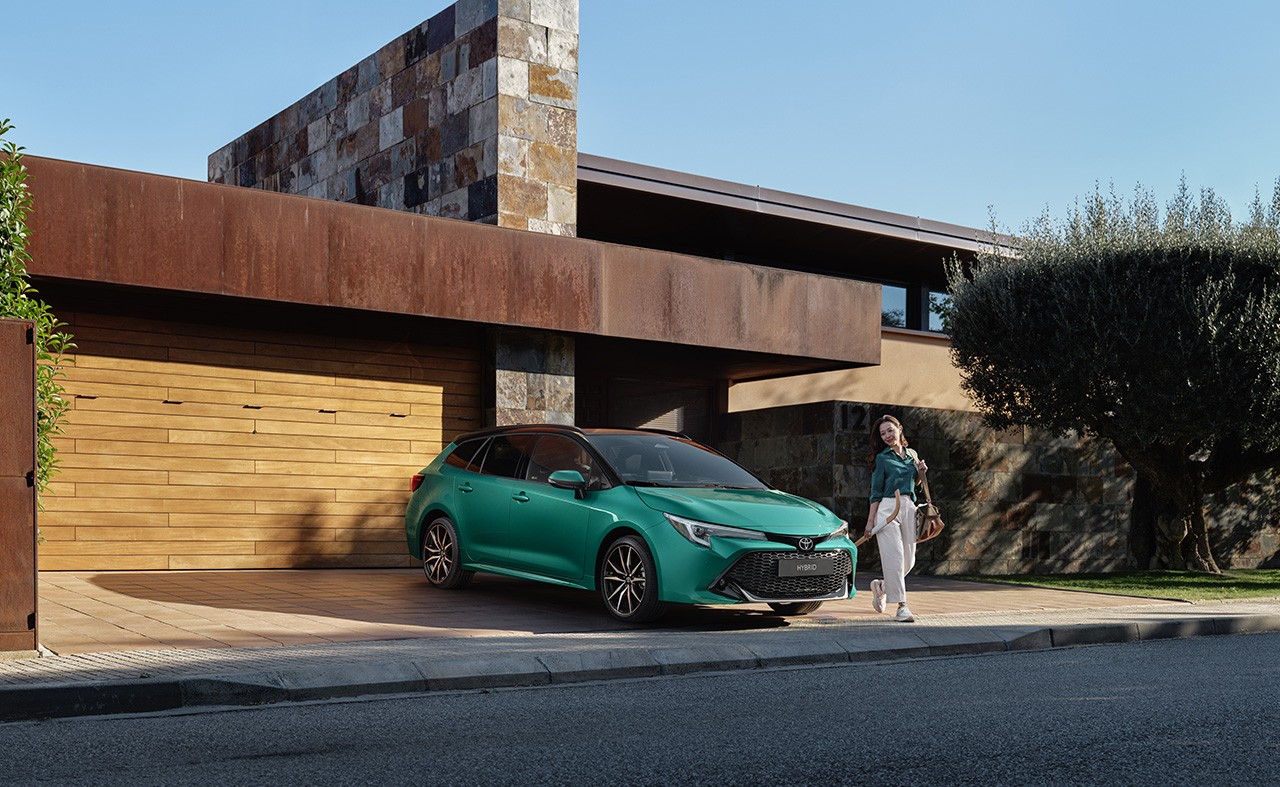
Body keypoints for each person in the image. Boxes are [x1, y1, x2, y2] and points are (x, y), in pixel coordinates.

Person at [864, 414, 927, 622]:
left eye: (890, 430)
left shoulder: (912, 454)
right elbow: (876, 492)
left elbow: (914, 484)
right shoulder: (882, 458)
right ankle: (902, 607)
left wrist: (921, 473)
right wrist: (870, 521)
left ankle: (881, 587)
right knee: (896, 557)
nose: (887, 436)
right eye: (883, 434)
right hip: (887, 509)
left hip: (909, 506)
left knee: (909, 559)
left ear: (899, 429)